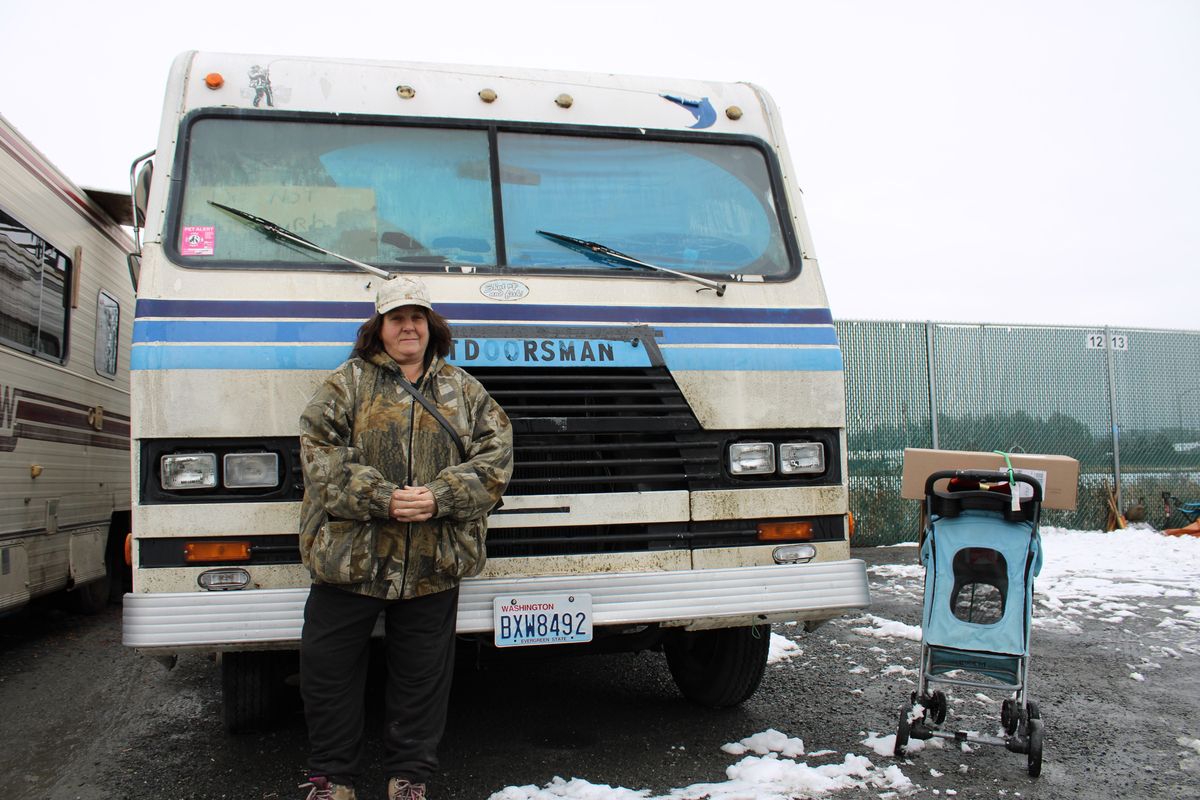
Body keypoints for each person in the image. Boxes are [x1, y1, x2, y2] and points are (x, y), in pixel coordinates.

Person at [296, 276, 513, 800]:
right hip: (351, 560)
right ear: (379, 329)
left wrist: (441, 496)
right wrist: (381, 498)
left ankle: (409, 778)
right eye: (397, 319)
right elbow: (319, 456)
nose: (408, 327)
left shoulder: (464, 390)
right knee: (328, 672)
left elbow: (496, 457)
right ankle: (332, 779)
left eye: (417, 318)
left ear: (431, 327)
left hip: (432, 563)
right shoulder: (344, 385)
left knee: (422, 679)